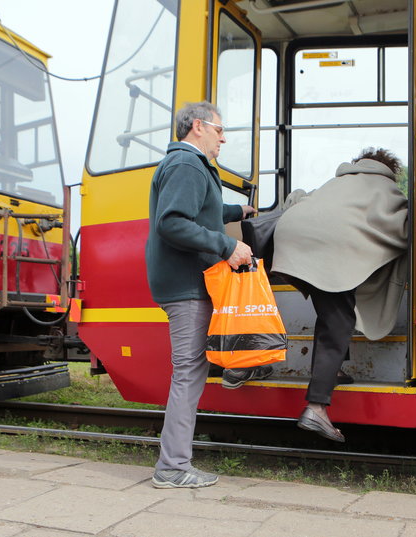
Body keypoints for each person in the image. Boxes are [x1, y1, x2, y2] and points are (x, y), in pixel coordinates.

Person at [145, 101, 268, 488]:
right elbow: (173, 222)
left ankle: (175, 463)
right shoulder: (185, 164)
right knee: (188, 373)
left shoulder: (189, 166)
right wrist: (226, 246)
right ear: (198, 127)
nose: (223, 137)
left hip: (189, 282)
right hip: (187, 285)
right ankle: (172, 468)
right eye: (219, 130)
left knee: (192, 370)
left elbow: (201, 208)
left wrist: (238, 210)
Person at [272, 148, 409, 442]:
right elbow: (404, 229)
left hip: (288, 242)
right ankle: (317, 407)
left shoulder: (337, 182)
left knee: (332, 308)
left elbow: (297, 199)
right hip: (329, 251)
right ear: (389, 169)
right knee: (339, 320)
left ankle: (331, 372)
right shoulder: (386, 188)